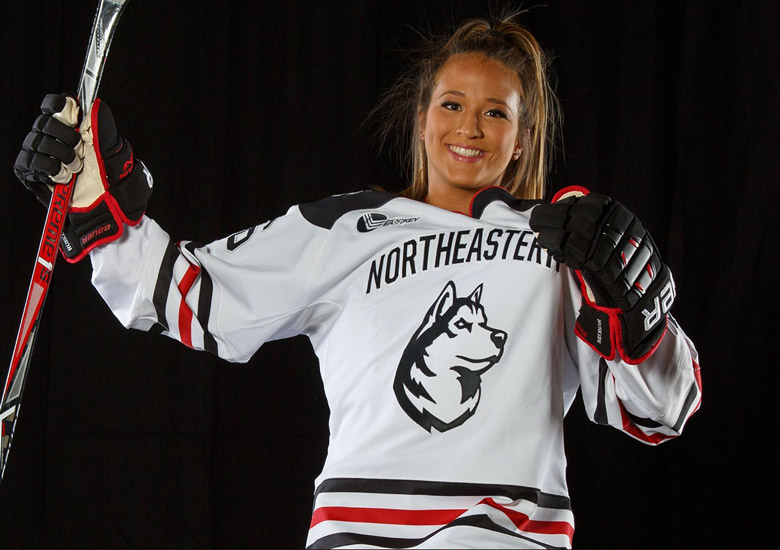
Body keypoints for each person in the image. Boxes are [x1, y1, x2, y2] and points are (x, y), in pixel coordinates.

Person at [13, 12, 701, 549]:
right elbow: (193, 297)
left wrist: (637, 311)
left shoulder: (565, 238)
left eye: (497, 112)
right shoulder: (346, 228)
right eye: (452, 105)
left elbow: (662, 409)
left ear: (523, 137)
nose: (471, 128)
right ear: (421, 116)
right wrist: (95, 201)